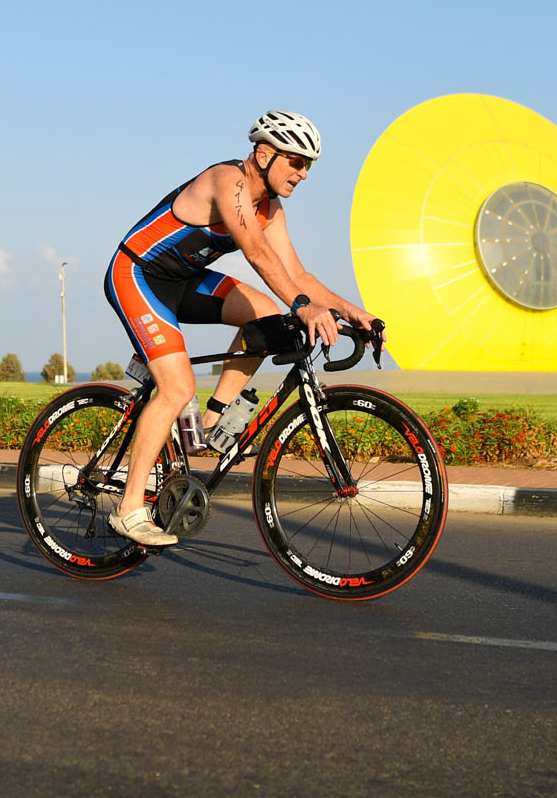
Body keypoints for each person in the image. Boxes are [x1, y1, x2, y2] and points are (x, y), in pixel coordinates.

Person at [101, 110, 375, 546]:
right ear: (264, 153)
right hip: (137, 275)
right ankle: (129, 507)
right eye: (297, 162)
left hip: (184, 281)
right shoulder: (228, 182)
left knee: (265, 314)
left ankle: (209, 425)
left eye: (309, 166)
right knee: (176, 388)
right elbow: (257, 254)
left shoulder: (271, 208)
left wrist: (351, 310)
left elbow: (296, 273)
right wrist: (303, 308)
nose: (303, 174)